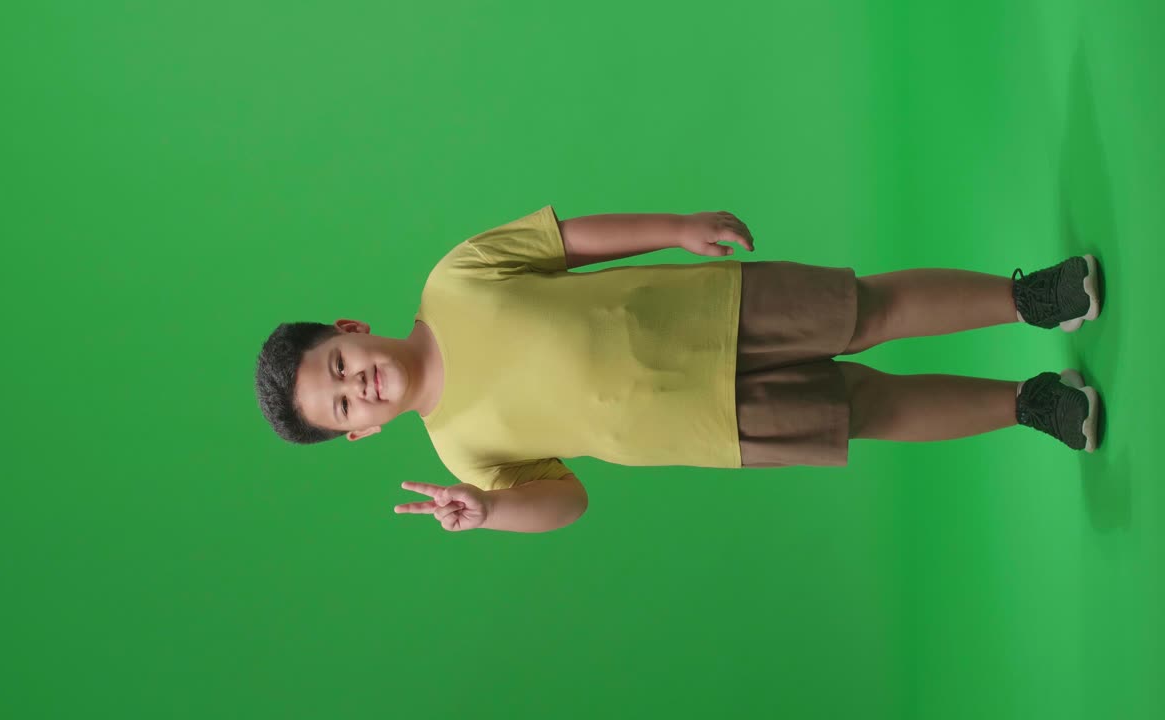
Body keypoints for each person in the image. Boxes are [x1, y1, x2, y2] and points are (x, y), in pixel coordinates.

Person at [254, 205, 1102, 534]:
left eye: (340, 363)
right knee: (867, 410)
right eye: (340, 405)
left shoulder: (455, 278)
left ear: (352, 327)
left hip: (711, 309)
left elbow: (569, 242)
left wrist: (673, 228)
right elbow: (569, 501)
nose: (356, 383)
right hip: (707, 425)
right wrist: (490, 509)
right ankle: (1027, 404)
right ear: (359, 433)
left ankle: (1027, 299)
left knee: (867, 310)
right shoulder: (462, 458)